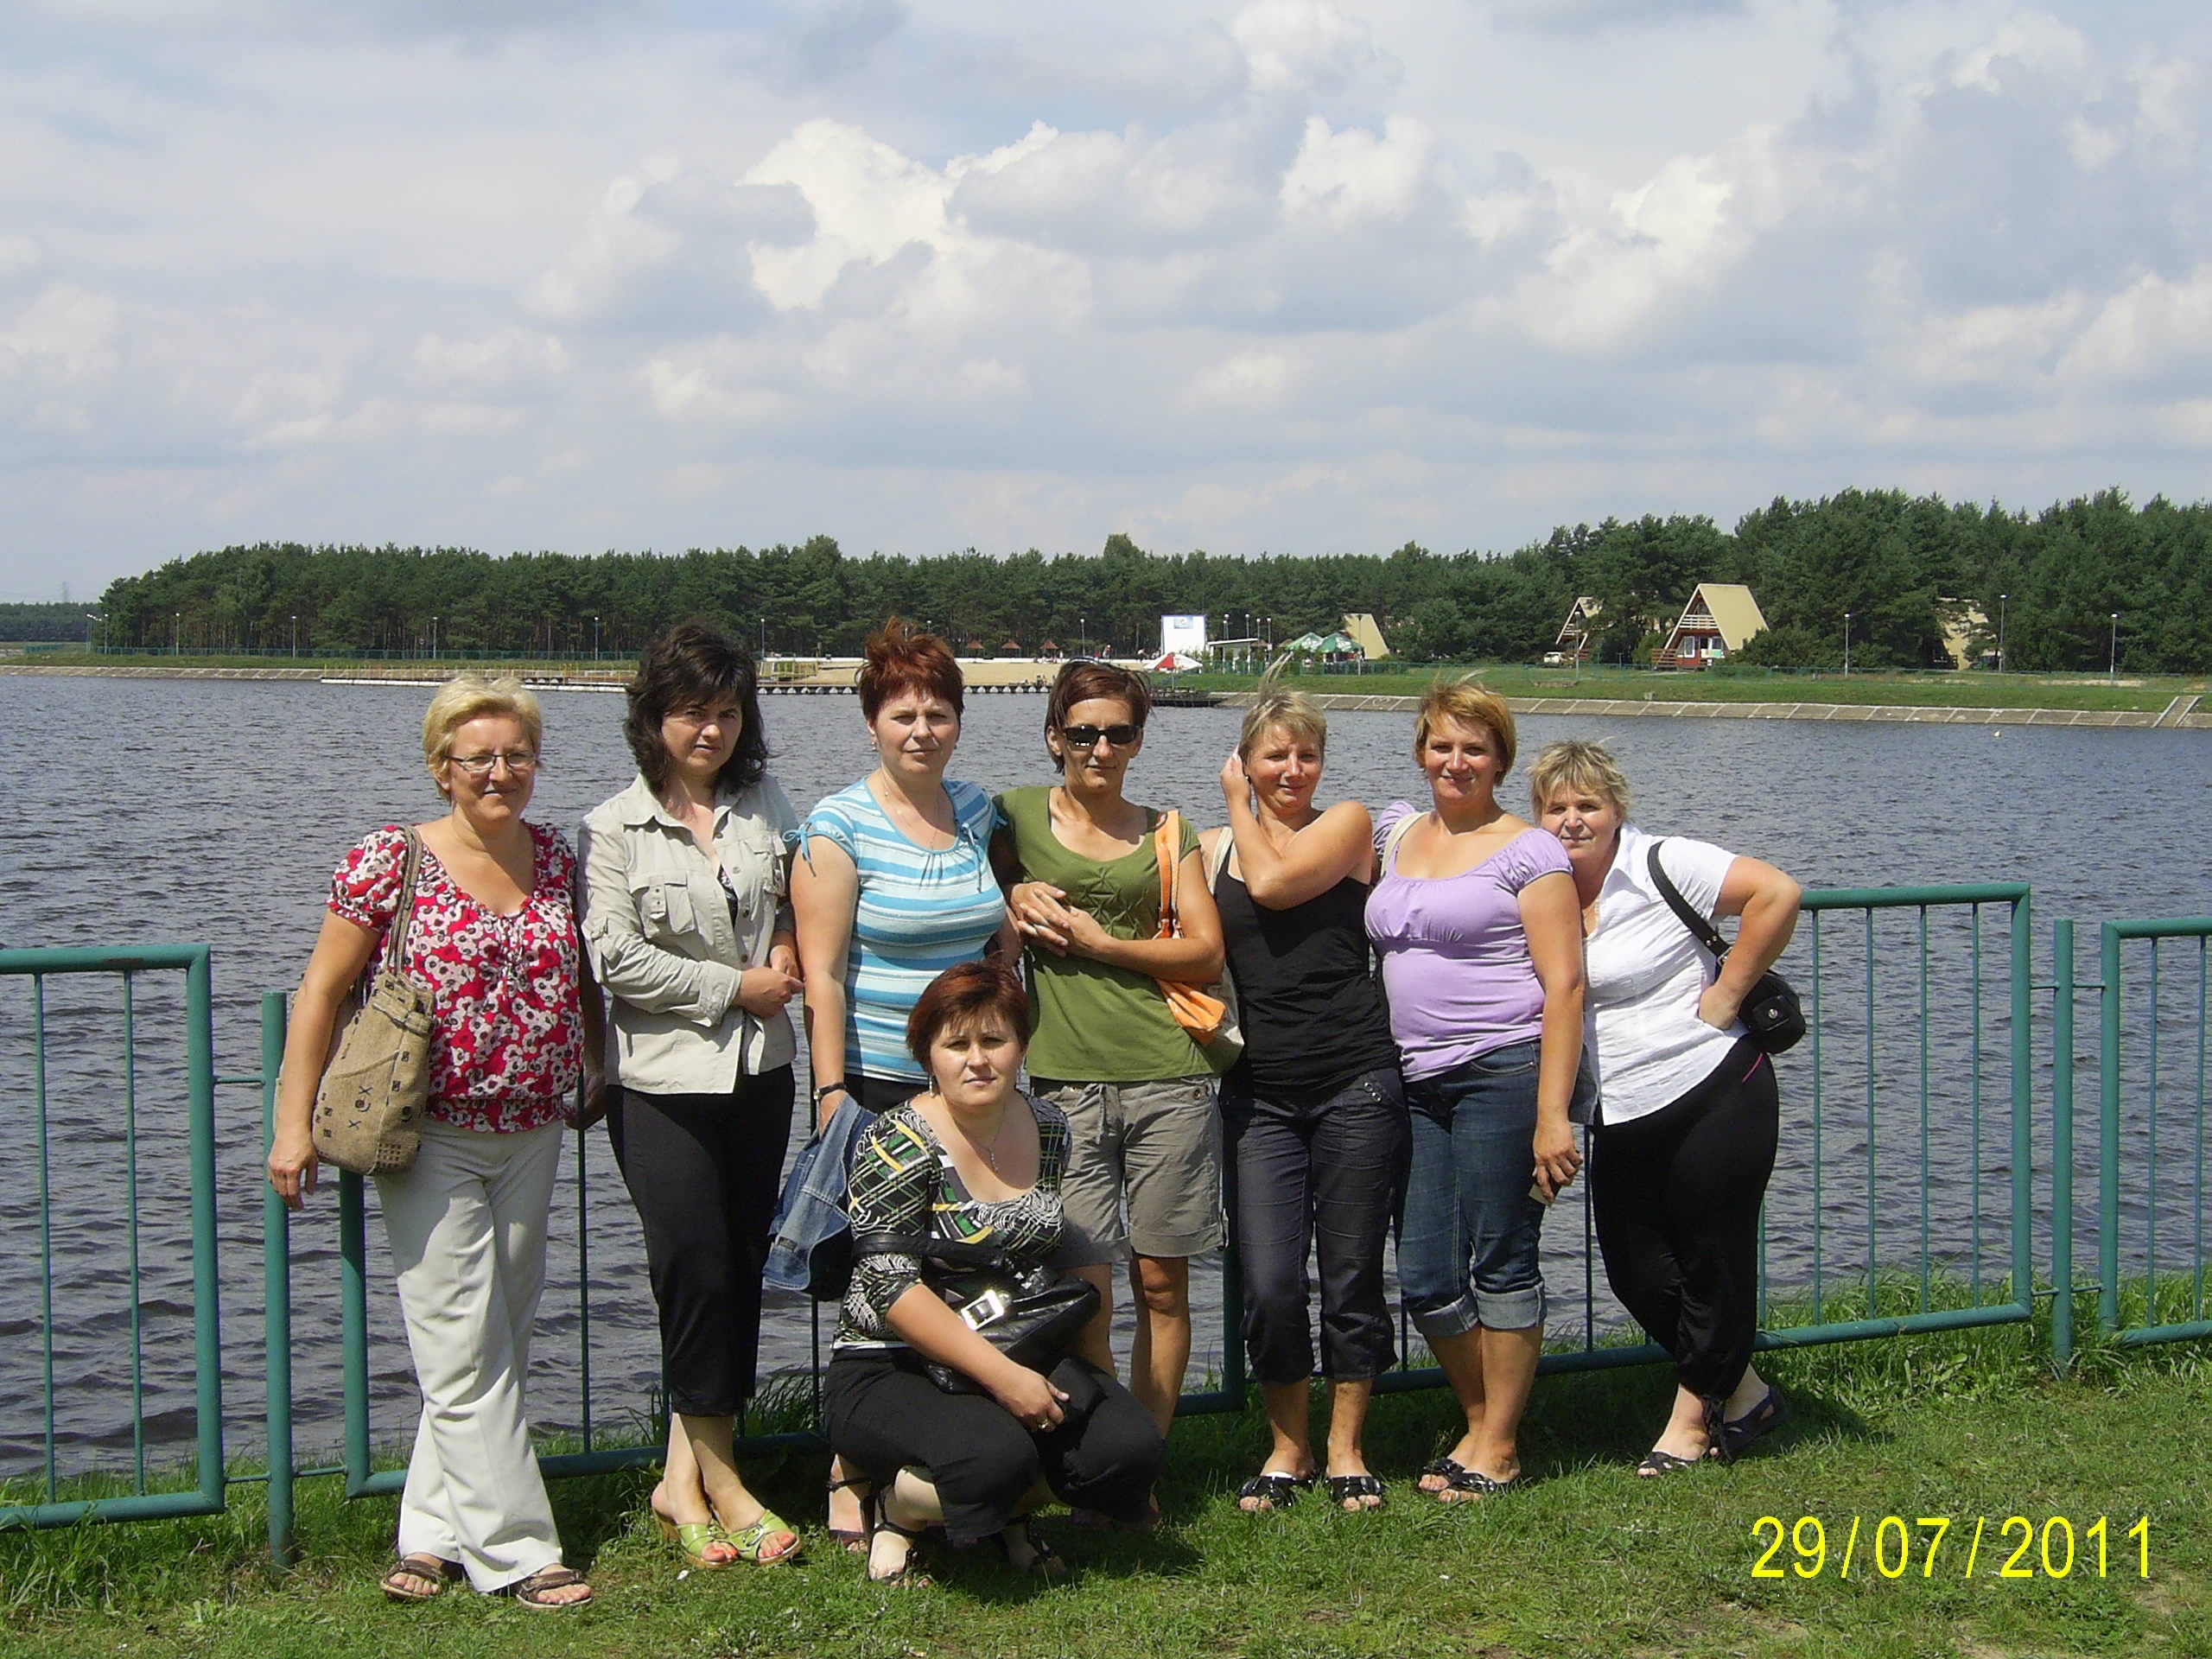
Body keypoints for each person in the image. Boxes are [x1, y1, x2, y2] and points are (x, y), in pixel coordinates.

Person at [266, 673, 600, 1609]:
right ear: (441, 766)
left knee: (498, 1338)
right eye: (479, 757)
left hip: (532, 1125)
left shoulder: (553, 857)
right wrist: (291, 1125)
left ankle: (431, 1536)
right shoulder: (390, 860)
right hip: (427, 1134)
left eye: (517, 755)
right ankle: (520, 1554)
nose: (500, 772)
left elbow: (579, 979)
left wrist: (596, 1062)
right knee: (459, 1340)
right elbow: (321, 993)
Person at [577, 624, 804, 1568]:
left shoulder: (766, 804)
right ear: (653, 718)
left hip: (761, 1074)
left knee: (740, 1265)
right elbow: (614, 958)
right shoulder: (611, 828)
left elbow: (791, 901)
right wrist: (735, 986)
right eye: (690, 712)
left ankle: (683, 1478)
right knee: (691, 1264)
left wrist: (785, 945)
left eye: (726, 712)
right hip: (660, 1082)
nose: (710, 730)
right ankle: (726, 1480)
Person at [825, 962, 1165, 1584]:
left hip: (1016, 1338)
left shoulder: (1050, 1126)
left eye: (993, 1040)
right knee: (994, 1460)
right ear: (929, 1056)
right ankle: (900, 1506)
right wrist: (1006, 1381)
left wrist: (1099, 1382)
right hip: (892, 1360)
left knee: (1127, 1450)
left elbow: (1070, 1252)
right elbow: (891, 1288)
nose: (977, 1060)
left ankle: (1005, 1513)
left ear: (1022, 1047)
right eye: (957, 1044)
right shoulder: (893, 1139)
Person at [791, 618, 1008, 1548]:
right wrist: (829, 1092)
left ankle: (940, 1455)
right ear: (873, 723)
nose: (923, 731)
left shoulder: (978, 811)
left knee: (959, 1275)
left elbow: (999, 934)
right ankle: (848, 1469)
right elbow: (822, 974)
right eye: (903, 715)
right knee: (874, 1285)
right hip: (879, 1087)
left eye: (938, 714)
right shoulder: (836, 826)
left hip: (970, 1086)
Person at [1529, 739, 1800, 1471]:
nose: (1572, 820)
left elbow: (1777, 894)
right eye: (1556, 807)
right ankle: (1745, 1394)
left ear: (1617, 810)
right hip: (1618, 1108)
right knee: (1636, 1271)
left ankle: (1690, 1423)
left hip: (1714, 1085)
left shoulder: (1662, 862)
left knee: (1713, 1259)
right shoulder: (1543, 887)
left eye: (1589, 805)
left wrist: (1727, 995)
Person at [996, 660, 1228, 1449]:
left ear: (1137, 742)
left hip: (1170, 1080)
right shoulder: (1012, 816)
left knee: (1161, 1281)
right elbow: (961, 878)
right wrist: (1011, 893)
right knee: (1083, 1285)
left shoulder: (1168, 832)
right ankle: (1102, 1448)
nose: (1099, 749)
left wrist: (1103, 945)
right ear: (1054, 737)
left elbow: (1205, 953)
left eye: (1118, 734)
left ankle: (1146, 1456)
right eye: (1083, 733)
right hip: (1064, 1086)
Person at [1364, 678, 1585, 1501]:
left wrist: (1552, 1115)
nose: (1455, 762)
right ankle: (1487, 1420)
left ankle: (1497, 1447)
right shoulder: (1395, 832)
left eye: (1475, 748)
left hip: (1505, 1071)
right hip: (1416, 1079)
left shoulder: (1530, 852)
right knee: (1425, 1273)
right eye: (1442, 745)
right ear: (1421, 751)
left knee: (1502, 1258)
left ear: (1500, 760)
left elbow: (1565, 986)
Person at [1204, 674, 1405, 1512]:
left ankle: (1347, 1448)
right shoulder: (1210, 850)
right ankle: (1289, 1445)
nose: (1292, 770)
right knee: (1270, 1282)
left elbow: (1276, 884)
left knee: (1352, 1272)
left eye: (1306, 754)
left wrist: (1234, 798)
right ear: (1247, 758)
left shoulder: (1347, 824)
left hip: (1354, 1080)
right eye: (1273, 756)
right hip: (1259, 1097)